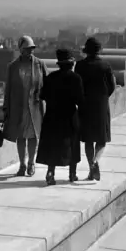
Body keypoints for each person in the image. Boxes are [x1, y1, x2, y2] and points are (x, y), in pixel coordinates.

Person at [2, 35, 48, 177]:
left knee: (33, 136)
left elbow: (47, 86)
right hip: (19, 107)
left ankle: (31, 163)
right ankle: (22, 164)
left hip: (35, 107)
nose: (30, 51)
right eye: (28, 49)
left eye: (32, 49)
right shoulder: (13, 67)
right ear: (21, 49)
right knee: (21, 137)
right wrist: (6, 108)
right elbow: (8, 89)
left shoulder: (40, 65)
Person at [36, 48, 84, 185]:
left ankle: (50, 173)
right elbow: (80, 100)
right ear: (71, 64)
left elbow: (42, 95)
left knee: (53, 146)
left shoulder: (51, 77)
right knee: (72, 145)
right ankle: (72, 174)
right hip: (69, 116)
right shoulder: (76, 78)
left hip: (52, 116)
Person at [74, 37, 116, 181]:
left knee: (88, 140)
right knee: (101, 139)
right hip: (101, 105)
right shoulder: (105, 66)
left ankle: (91, 168)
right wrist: (103, 97)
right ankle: (95, 162)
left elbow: (77, 86)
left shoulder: (79, 65)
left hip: (85, 106)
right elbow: (112, 87)